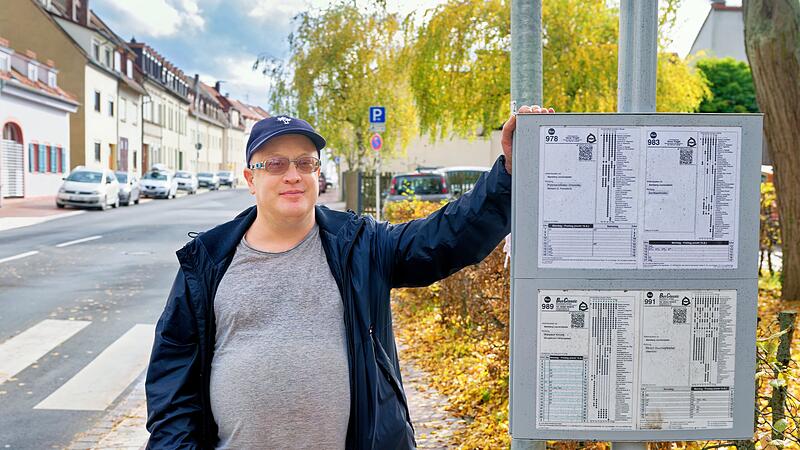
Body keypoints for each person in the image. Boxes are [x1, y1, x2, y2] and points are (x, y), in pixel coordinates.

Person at [145, 105, 554, 449]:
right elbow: (173, 389)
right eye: (275, 164)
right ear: (251, 179)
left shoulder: (360, 245)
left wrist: (508, 175)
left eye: (305, 163)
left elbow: (445, 237)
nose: (293, 175)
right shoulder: (207, 261)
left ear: (318, 175)